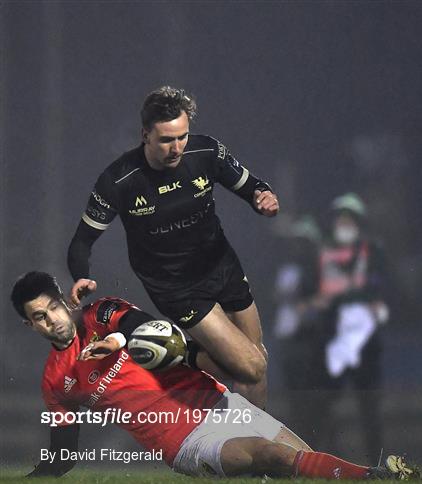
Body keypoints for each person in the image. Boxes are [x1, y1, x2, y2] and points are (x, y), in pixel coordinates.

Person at [10, 271, 418, 481]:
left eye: (53, 308)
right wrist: (31, 480)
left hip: (221, 403)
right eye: (39, 318)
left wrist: (117, 340)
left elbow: (148, 329)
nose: (52, 321)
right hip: (184, 441)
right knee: (273, 457)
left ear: (65, 301)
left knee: (302, 467)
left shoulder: (101, 313)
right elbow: (63, 452)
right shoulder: (55, 381)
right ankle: (378, 477)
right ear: (31, 326)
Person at [67, 87, 280, 409]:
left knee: (255, 362)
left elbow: (253, 187)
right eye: (166, 140)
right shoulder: (119, 180)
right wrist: (80, 275)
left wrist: (263, 197)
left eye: (182, 137)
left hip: (222, 266)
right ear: (145, 135)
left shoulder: (207, 151)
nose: (176, 147)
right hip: (177, 287)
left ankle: (261, 452)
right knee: (252, 366)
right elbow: (82, 240)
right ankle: (180, 354)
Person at [285, 194, 390, 460]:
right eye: (340, 217)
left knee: (369, 405)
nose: (344, 222)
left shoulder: (373, 251)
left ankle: (376, 461)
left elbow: (382, 289)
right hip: (330, 340)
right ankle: (323, 457)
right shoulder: (322, 253)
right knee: (322, 404)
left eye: (349, 218)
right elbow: (306, 292)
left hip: (364, 343)